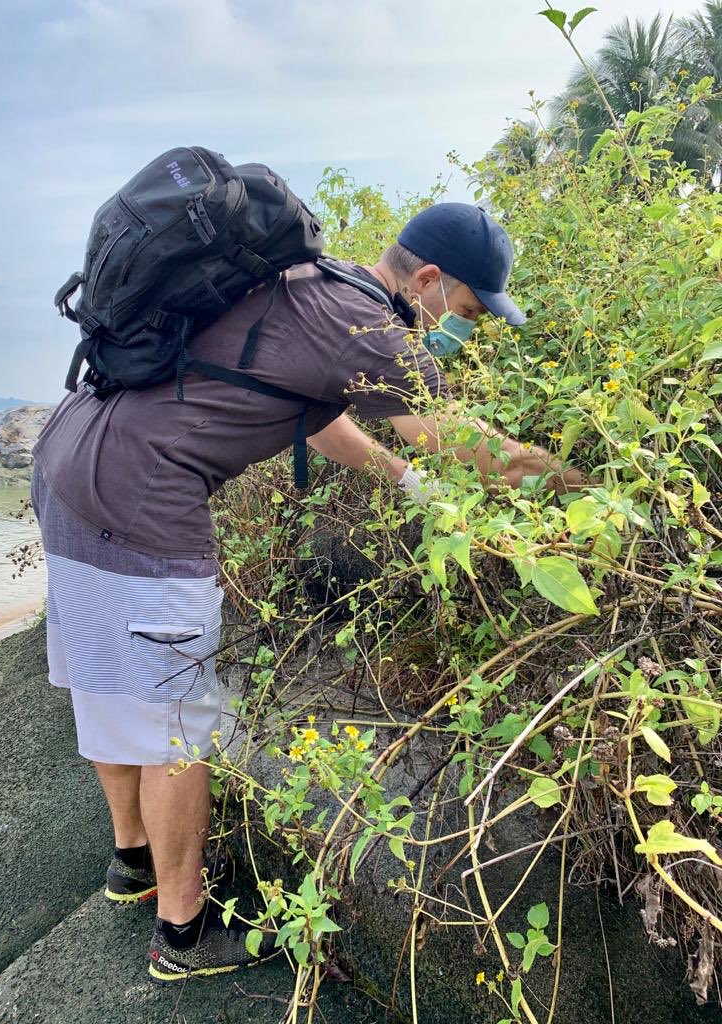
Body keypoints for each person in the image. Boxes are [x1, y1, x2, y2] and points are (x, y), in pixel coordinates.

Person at [30, 202, 581, 983]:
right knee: (179, 724)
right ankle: (182, 937)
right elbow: (470, 445)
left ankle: (132, 862)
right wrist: (587, 482)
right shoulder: (371, 327)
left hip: (67, 458)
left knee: (111, 684)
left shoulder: (307, 282)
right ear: (427, 278)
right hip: (141, 498)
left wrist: (400, 476)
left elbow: (313, 417)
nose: (464, 329)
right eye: (463, 311)